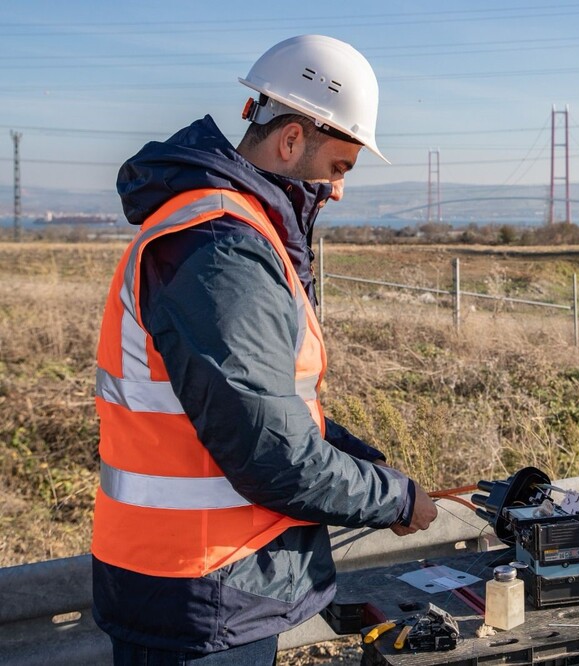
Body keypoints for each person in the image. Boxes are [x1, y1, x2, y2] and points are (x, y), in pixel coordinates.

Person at [92, 35, 438, 664]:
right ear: (291, 140)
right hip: (205, 591)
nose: (338, 191)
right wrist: (393, 496)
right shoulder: (222, 248)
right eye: (340, 167)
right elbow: (268, 452)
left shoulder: (228, 229)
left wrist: (363, 460)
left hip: (201, 587)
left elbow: (265, 408)